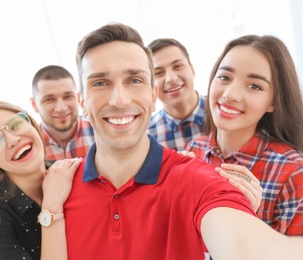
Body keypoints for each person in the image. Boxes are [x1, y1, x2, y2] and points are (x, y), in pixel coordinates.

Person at [59, 22, 303, 259]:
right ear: (81, 101)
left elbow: (235, 235)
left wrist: (246, 215)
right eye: (100, 83)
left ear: (153, 96)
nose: (119, 100)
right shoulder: (195, 150)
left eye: (134, 80)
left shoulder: (196, 174)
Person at [185, 34, 303, 236]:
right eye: (224, 77)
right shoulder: (193, 151)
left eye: (254, 86)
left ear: (273, 102)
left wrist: (247, 218)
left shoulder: (294, 173)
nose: (230, 94)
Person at [0, 100, 82, 260]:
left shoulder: (75, 172)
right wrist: (51, 207)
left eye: (15, 125)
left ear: (32, 125)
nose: (13, 140)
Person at [147, 38, 206, 151]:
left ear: (192, 70)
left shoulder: (223, 114)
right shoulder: (147, 138)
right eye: (158, 73)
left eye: (178, 66)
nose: (171, 78)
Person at [30, 65, 95, 160]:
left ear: (78, 98)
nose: (61, 108)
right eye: (49, 99)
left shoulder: (100, 131)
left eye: (68, 96)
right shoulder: (29, 146)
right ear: (34, 105)